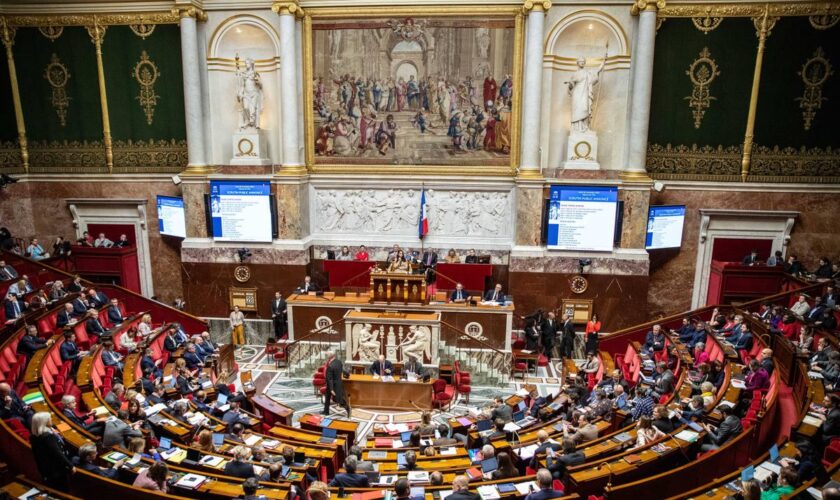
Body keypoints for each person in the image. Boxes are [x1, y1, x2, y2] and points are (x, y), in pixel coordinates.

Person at [30, 412, 74, 491]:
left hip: (46, 469)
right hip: (57, 470)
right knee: (63, 489)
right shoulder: (48, 436)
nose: (51, 420)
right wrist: (70, 465)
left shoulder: (33, 436)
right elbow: (57, 453)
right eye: (49, 419)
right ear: (45, 422)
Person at [324, 351, 349, 417]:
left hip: (332, 385)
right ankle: (326, 411)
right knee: (327, 397)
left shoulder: (331, 366)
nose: (326, 355)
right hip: (337, 383)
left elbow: (330, 379)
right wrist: (346, 374)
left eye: (327, 354)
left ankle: (348, 408)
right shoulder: (338, 362)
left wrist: (331, 389)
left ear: (331, 356)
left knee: (338, 399)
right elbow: (341, 370)